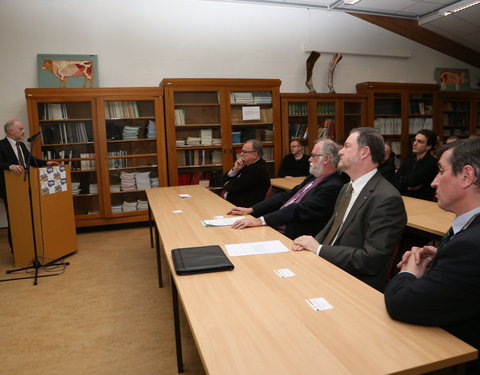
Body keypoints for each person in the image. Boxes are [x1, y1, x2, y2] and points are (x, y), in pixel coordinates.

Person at [384, 138, 480, 374]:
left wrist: (409, 271)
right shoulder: (469, 235)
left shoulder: (470, 246)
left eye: (440, 171)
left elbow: (401, 304)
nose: (433, 182)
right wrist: (444, 261)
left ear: (467, 176)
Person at [292, 127, 407, 292]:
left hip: (352, 284)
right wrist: (308, 243)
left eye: (346, 146)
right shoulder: (346, 188)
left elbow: (370, 260)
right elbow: (332, 229)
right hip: (325, 267)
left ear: (364, 152)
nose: (340, 152)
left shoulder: (387, 199)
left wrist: (318, 249)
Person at [227, 139, 344, 239]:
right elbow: (286, 196)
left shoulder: (332, 186)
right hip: (276, 225)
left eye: (313, 156)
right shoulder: (313, 178)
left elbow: (299, 209)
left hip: (290, 236)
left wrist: (260, 220)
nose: (309, 159)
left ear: (326, 159)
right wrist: (251, 209)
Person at [0, 120, 59, 251]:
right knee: (15, 220)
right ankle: (16, 251)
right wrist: (10, 166)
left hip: (26, 187)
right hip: (10, 189)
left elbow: (30, 160)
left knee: (27, 218)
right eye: (20, 129)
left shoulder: (21, 145)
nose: (24, 131)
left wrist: (46, 162)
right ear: (11, 131)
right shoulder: (1, 145)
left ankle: (30, 248)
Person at [222, 139, 270, 207]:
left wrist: (227, 183)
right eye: (242, 151)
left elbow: (231, 187)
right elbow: (223, 180)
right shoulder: (247, 164)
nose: (241, 154)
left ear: (254, 155)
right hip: (231, 202)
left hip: (242, 207)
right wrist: (235, 170)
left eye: (244, 152)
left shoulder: (257, 169)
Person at [395, 129, 438, 201]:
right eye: (415, 140)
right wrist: (407, 187)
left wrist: (402, 181)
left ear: (428, 146)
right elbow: (395, 180)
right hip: (404, 198)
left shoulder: (431, 163)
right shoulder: (409, 159)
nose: (415, 143)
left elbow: (412, 181)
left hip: (422, 201)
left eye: (420, 142)